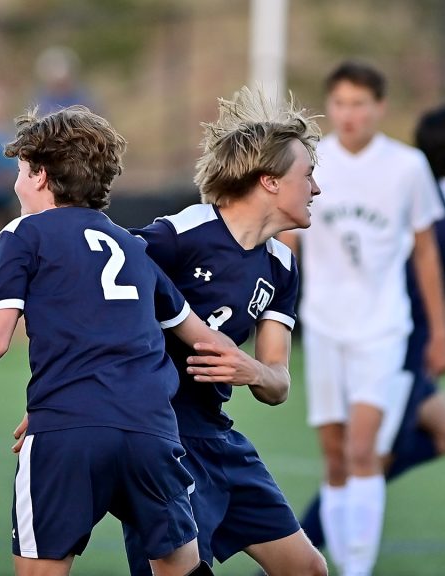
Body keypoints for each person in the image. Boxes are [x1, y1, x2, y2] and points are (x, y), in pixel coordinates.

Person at [0, 105, 225, 576]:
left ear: (41, 176)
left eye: (20, 171)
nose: (17, 184)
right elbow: (200, 337)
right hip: (151, 433)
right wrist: (262, 371)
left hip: (67, 432)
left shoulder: (25, 233)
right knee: (180, 568)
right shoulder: (133, 246)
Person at [104, 87, 327, 576]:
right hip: (157, 438)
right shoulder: (177, 237)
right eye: (307, 176)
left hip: (215, 436)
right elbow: (97, 305)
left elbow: (278, 383)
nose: (316, 190)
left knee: (308, 569)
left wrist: (251, 369)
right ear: (269, 181)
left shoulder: (283, 266)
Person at [299, 102, 445, 548]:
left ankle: (339, 517)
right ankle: (300, 546)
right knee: (364, 458)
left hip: (375, 335)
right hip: (396, 347)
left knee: (444, 431)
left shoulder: (401, 187)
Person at [278, 61, 445, 576]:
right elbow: (288, 242)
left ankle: (357, 569)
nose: (349, 114)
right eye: (340, 103)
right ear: (328, 107)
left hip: (383, 328)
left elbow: (425, 252)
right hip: (325, 327)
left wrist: (440, 331)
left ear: (379, 107)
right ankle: (336, 564)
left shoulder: (407, 166)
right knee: (334, 458)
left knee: (363, 451)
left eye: (359, 103)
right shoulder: (311, 161)